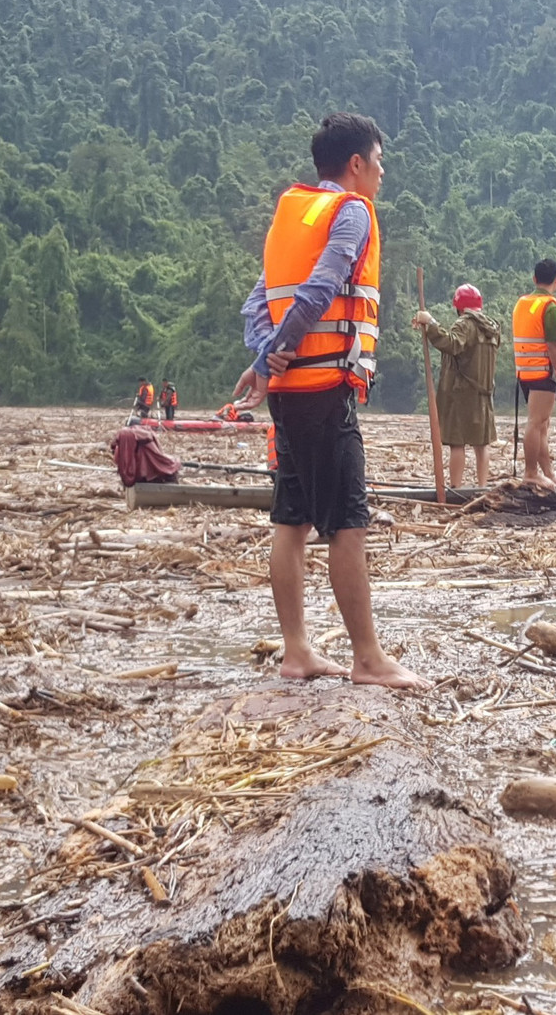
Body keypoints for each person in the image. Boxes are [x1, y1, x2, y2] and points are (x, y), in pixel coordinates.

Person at [231, 112, 431, 691]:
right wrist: (273, 355)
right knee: (347, 522)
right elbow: (322, 286)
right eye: (379, 161)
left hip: (289, 394)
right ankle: (367, 659)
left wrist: (265, 357)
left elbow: (257, 302)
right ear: (356, 164)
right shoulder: (351, 212)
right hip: (323, 391)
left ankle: (297, 651)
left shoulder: (292, 213)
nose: (382, 173)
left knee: (292, 518)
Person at [412, 283, 501, 488]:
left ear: (459, 307)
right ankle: (482, 487)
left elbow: (451, 344)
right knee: (481, 443)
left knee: (457, 443)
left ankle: (456, 488)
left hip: (461, 394)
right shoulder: (492, 328)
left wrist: (430, 322)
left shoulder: (464, 324)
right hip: (484, 393)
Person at [512, 258, 556, 489]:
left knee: (542, 425)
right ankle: (531, 473)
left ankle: (548, 473)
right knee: (536, 423)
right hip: (541, 372)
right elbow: (553, 346)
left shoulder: (522, 303)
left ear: (534, 279)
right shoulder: (550, 307)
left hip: (524, 372)